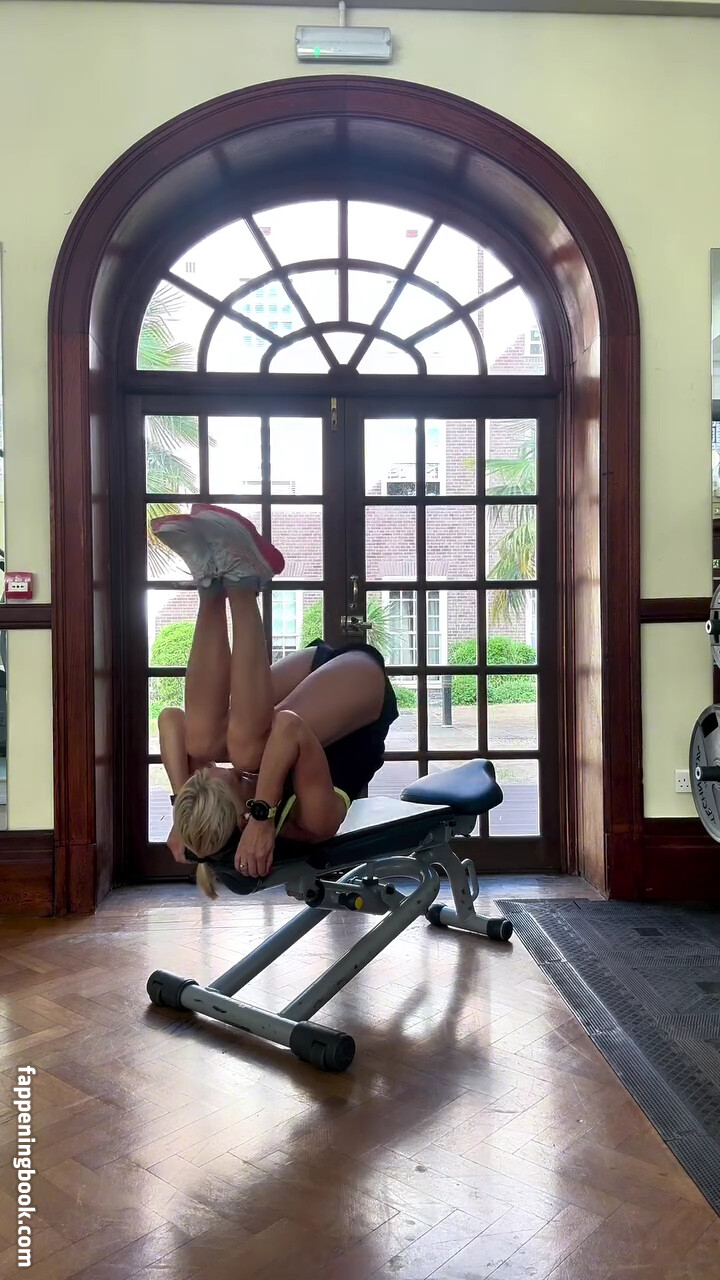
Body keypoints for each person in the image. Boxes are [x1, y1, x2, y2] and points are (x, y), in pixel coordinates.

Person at [153, 504, 398, 898]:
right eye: (223, 777)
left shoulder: (219, 798)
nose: (212, 769)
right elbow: (287, 726)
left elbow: (170, 719)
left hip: (313, 672)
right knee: (249, 752)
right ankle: (243, 583)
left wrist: (181, 799)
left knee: (201, 741)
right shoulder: (311, 821)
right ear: (240, 817)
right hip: (361, 688)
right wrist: (264, 814)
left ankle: (211, 585)